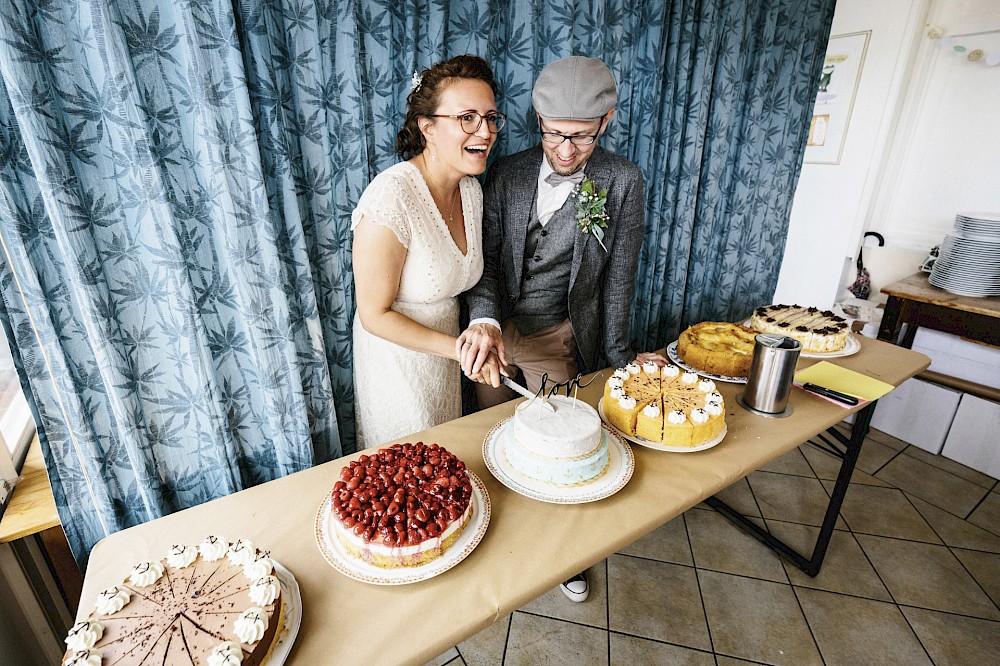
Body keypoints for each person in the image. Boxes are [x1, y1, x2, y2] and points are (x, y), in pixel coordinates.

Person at [457, 56, 667, 602]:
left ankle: (562, 558)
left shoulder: (622, 181)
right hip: (498, 334)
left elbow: (619, 277)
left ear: (606, 121)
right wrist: (484, 320)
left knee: (556, 452)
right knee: (494, 442)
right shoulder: (506, 172)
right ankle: (501, 545)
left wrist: (620, 357)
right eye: (554, 135)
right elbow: (485, 266)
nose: (566, 151)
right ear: (538, 120)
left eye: (580, 138)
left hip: (559, 336)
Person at [351, 55, 503, 450]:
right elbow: (373, 315)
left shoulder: (472, 191)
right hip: (396, 368)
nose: (484, 131)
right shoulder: (392, 196)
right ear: (428, 127)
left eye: (490, 117)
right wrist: (459, 350)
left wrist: (477, 335)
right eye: (467, 118)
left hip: (445, 363)